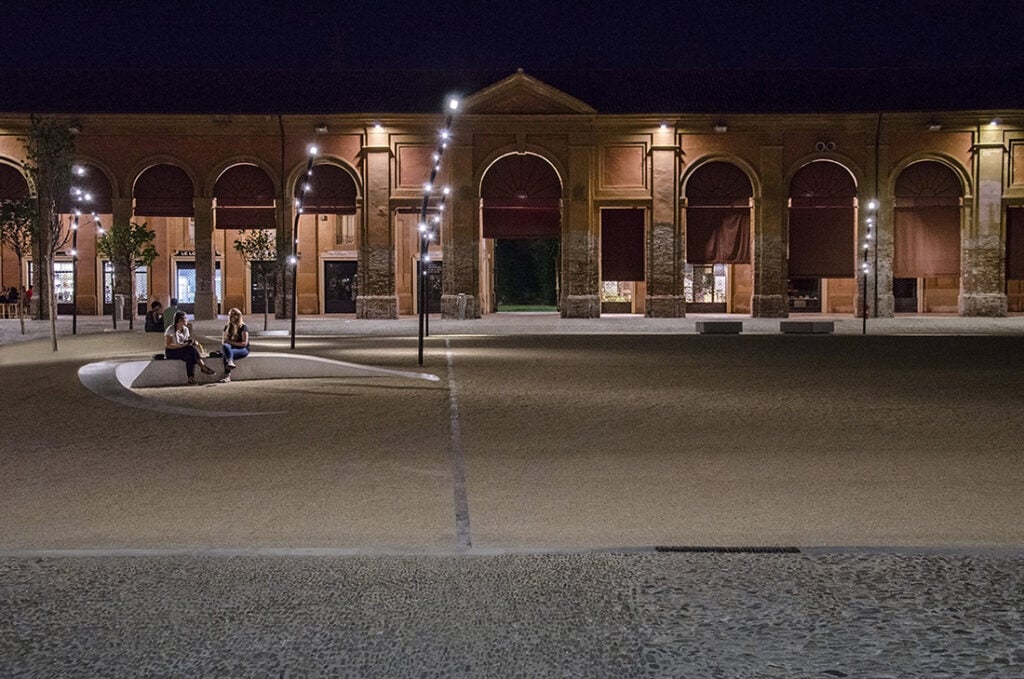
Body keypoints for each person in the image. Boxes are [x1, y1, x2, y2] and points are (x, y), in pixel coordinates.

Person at [164, 310, 215, 385]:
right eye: (186, 318)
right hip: (172, 351)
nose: (187, 320)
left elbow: (185, 341)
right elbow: (168, 344)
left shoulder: (185, 329)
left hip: (182, 350)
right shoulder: (171, 329)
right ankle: (203, 367)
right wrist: (182, 345)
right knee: (190, 350)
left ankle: (191, 378)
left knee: (191, 357)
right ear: (180, 320)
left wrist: (191, 342)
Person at [218, 308, 250, 383]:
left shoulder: (243, 327)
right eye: (229, 315)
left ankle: (227, 375)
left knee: (226, 354)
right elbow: (224, 341)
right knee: (226, 347)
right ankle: (230, 362)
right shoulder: (227, 327)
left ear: (238, 316)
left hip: (242, 349)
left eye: (233, 315)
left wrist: (231, 342)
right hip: (230, 348)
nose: (231, 317)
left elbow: (244, 343)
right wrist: (228, 342)